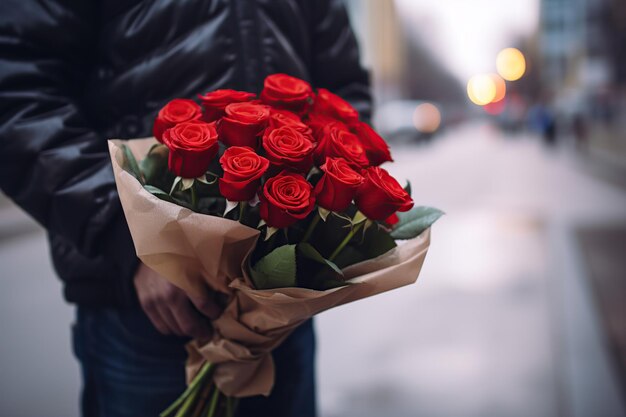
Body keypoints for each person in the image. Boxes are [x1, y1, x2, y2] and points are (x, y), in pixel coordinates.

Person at [0, 1, 371, 416]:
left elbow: (344, 93)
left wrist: (314, 231)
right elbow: (16, 91)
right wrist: (133, 237)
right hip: (150, 311)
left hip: (280, 308)